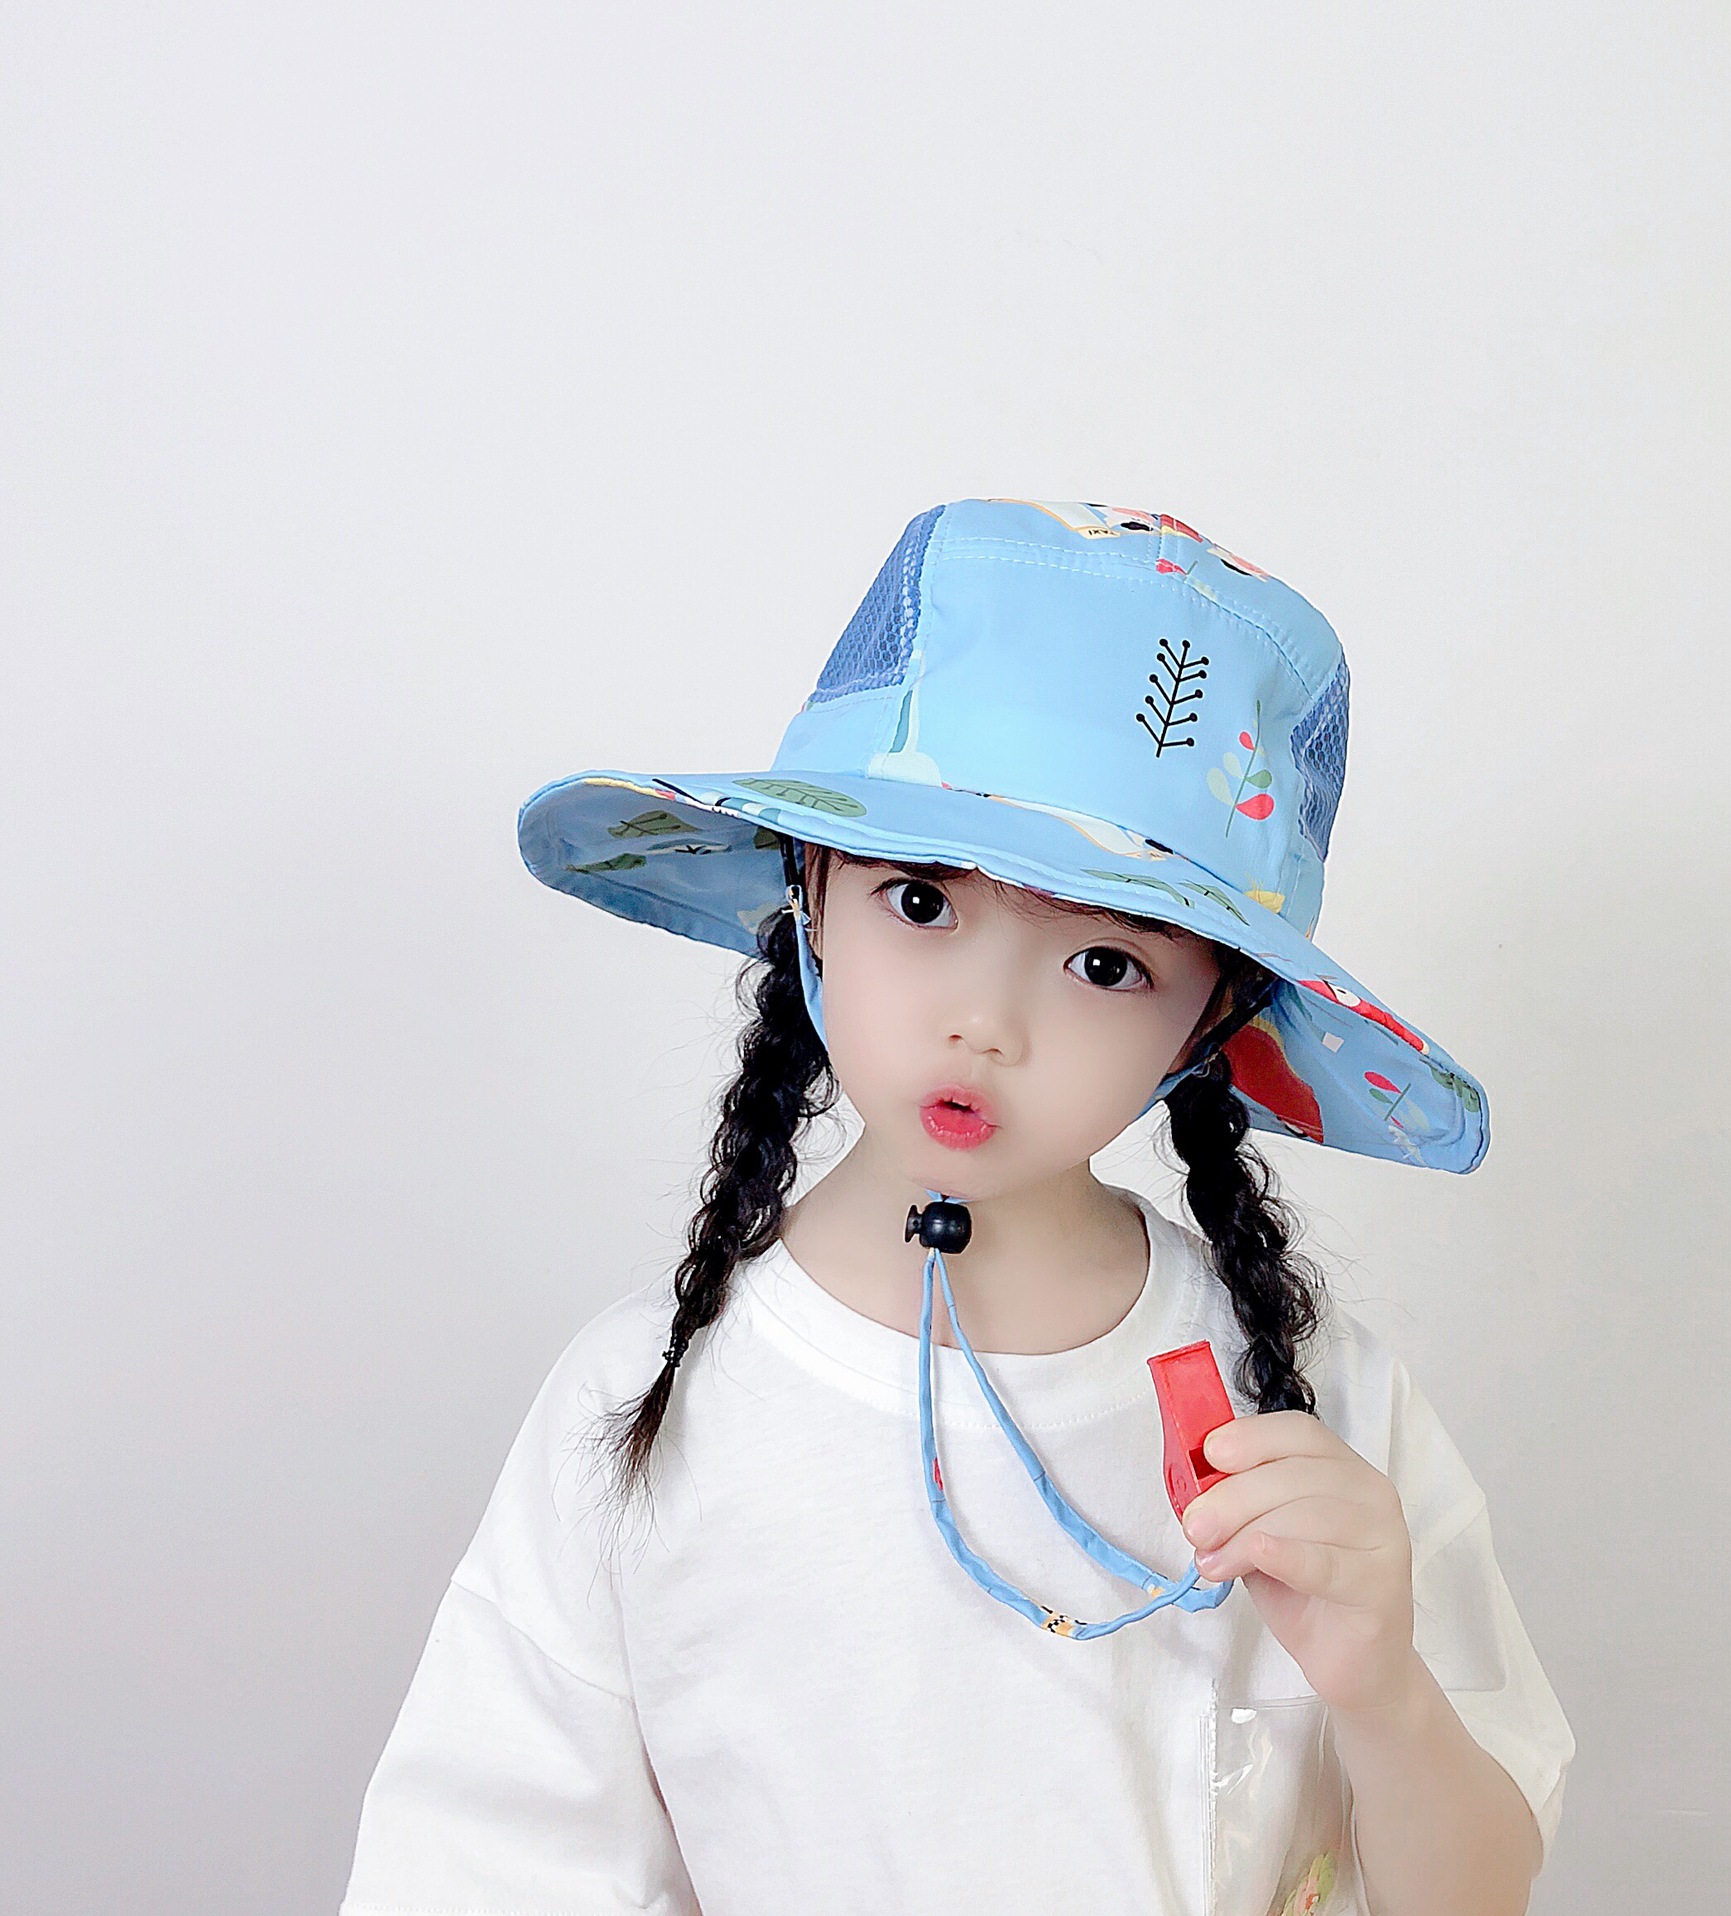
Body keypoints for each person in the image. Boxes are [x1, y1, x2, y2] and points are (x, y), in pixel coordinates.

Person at [341, 499, 1575, 1916]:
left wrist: (1383, 1686)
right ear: (809, 889)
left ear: (1212, 1017)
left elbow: (1475, 1892)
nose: (985, 1022)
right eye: (921, 901)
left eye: (1106, 963)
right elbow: (477, 1868)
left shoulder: (1314, 1407)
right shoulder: (642, 1401)